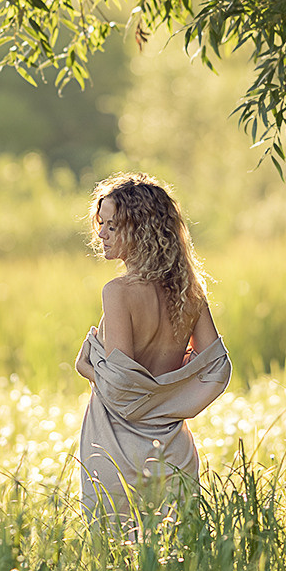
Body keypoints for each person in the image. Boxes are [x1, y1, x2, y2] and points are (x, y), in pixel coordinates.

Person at [73, 172, 232, 528]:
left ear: (141, 230)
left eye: (113, 226)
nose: (101, 234)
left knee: (117, 555)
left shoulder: (118, 292)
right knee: (182, 554)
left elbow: (120, 389)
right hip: (173, 451)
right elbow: (217, 369)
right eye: (101, 224)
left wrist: (88, 370)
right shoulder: (190, 291)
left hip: (117, 450)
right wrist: (173, 394)